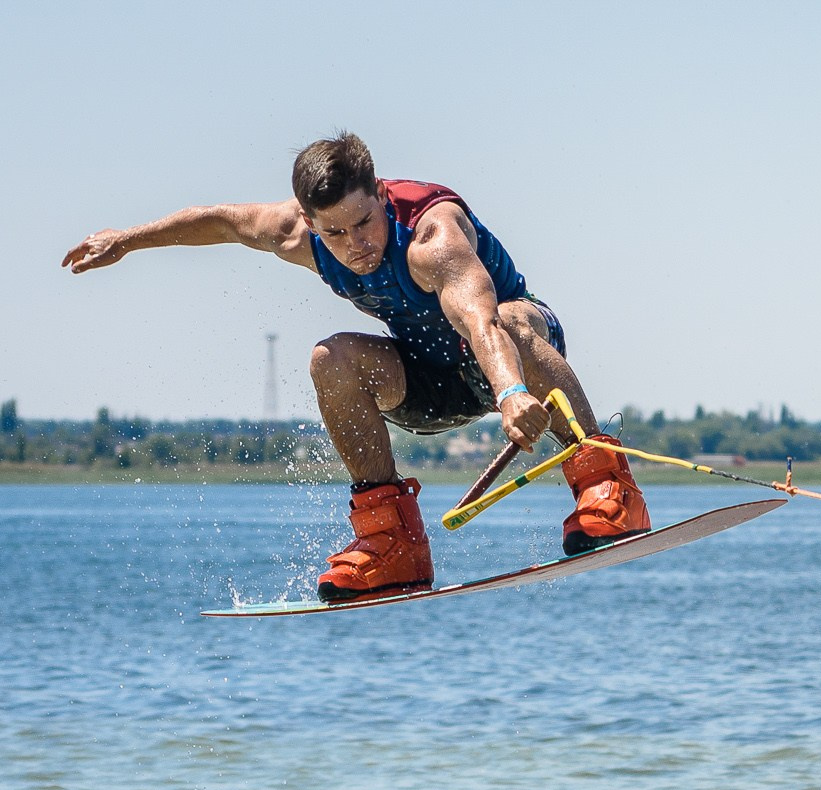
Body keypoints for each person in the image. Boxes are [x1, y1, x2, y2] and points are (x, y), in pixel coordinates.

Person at [61, 131, 648, 601]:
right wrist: (128, 240)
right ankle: (391, 542)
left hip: (508, 358)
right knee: (331, 359)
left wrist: (512, 392)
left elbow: (482, 323)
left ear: (381, 197)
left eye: (364, 224)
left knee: (517, 320)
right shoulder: (300, 235)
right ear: (310, 222)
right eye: (334, 232)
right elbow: (219, 221)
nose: (355, 245)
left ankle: (607, 485)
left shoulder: (431, 236)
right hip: (424, 382)